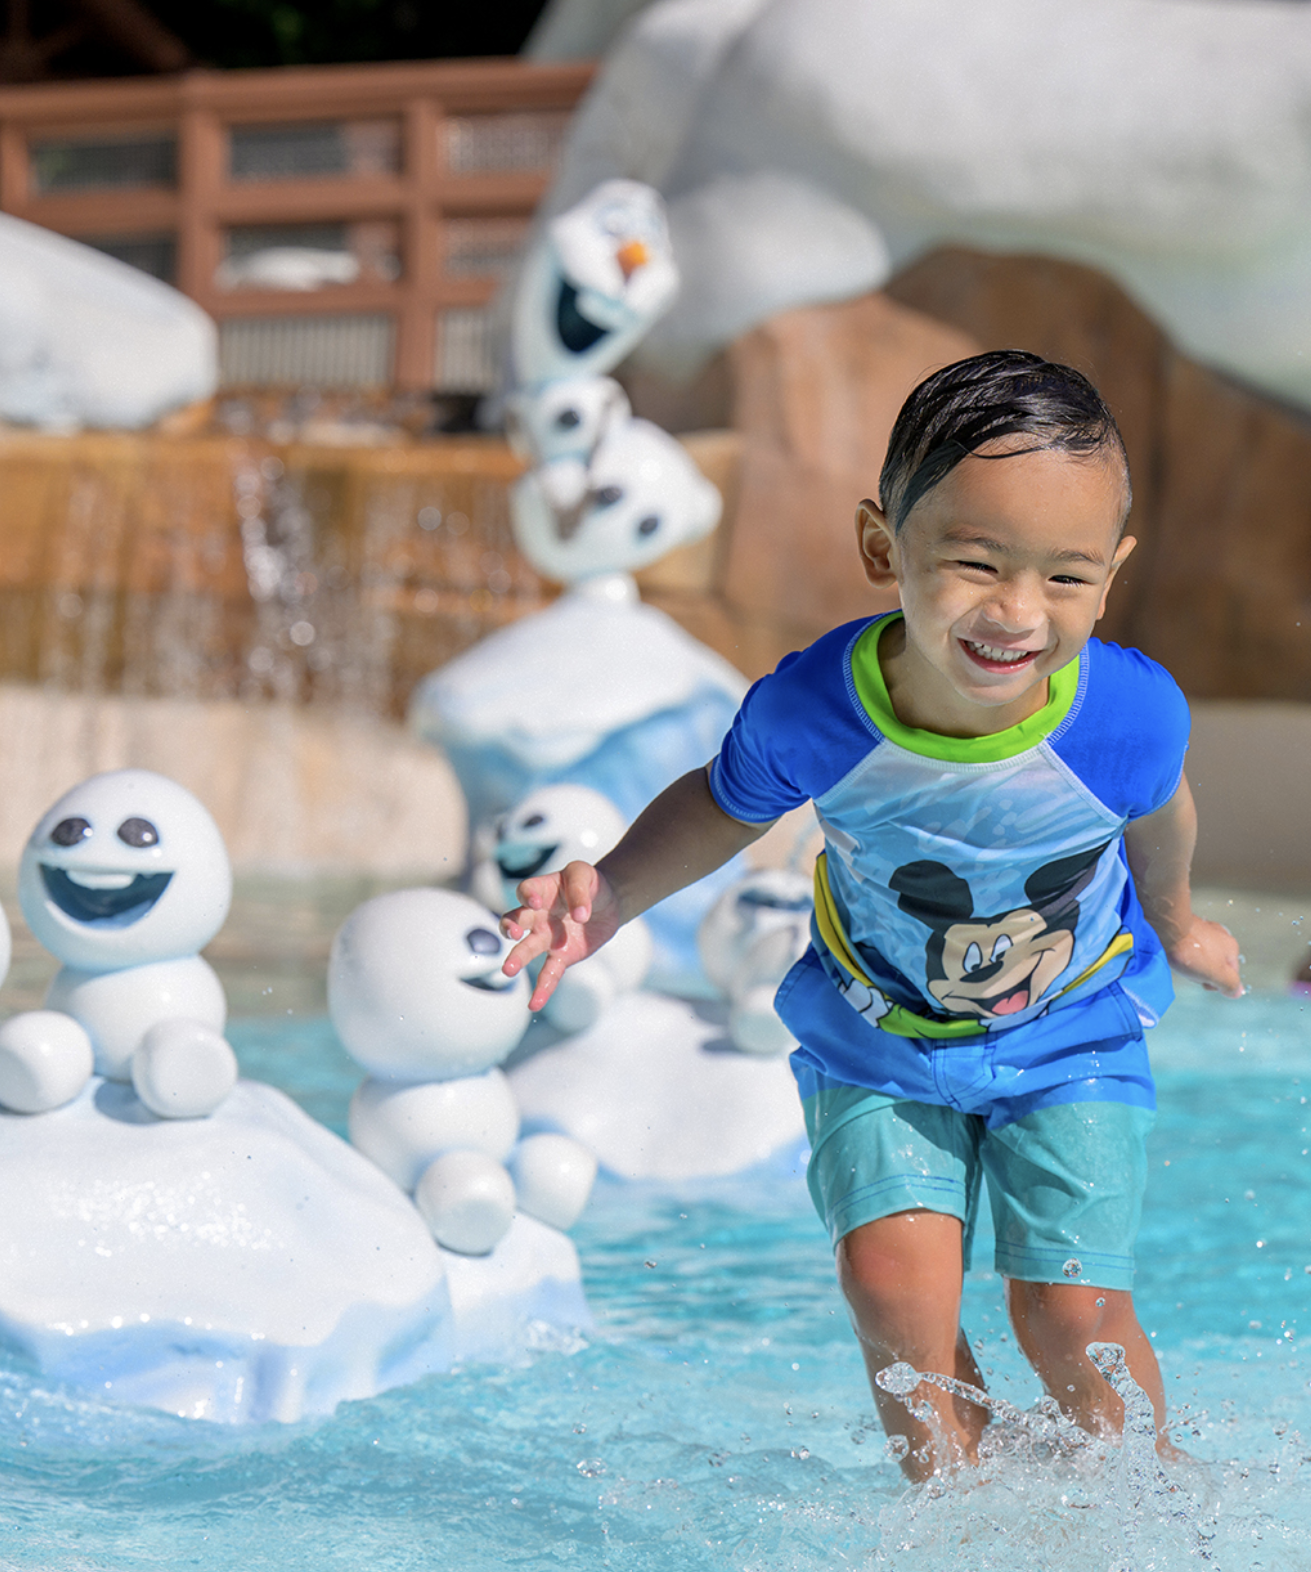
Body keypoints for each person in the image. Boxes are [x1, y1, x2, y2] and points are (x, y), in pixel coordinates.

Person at [498, 349, 1244, 1479]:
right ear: (882, 547)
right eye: (976, 561)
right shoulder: (817, 709)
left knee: (1069, 1312)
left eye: (1065, 577)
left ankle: (1150, 1497)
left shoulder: (1125, 714)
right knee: (892, 1287)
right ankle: (955, 1513)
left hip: (1071, 1026)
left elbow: (1159, 811)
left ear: (1111, 576)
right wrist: (608, 898)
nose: (1016, 612)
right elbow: (721, 805)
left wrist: (1178, 922)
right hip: (878, 1032)